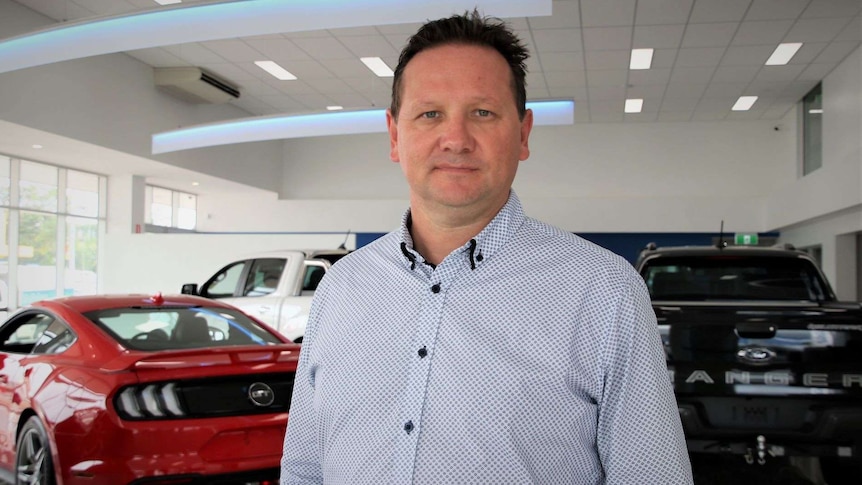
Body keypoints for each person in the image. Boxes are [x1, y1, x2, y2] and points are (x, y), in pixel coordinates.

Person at [281, 10, 692, 485]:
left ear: (522, 133)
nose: (455, 140)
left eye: (483, 112)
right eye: (430, 113)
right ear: (395, 135)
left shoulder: (605, 291)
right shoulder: (340, 289)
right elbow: (305, 469)